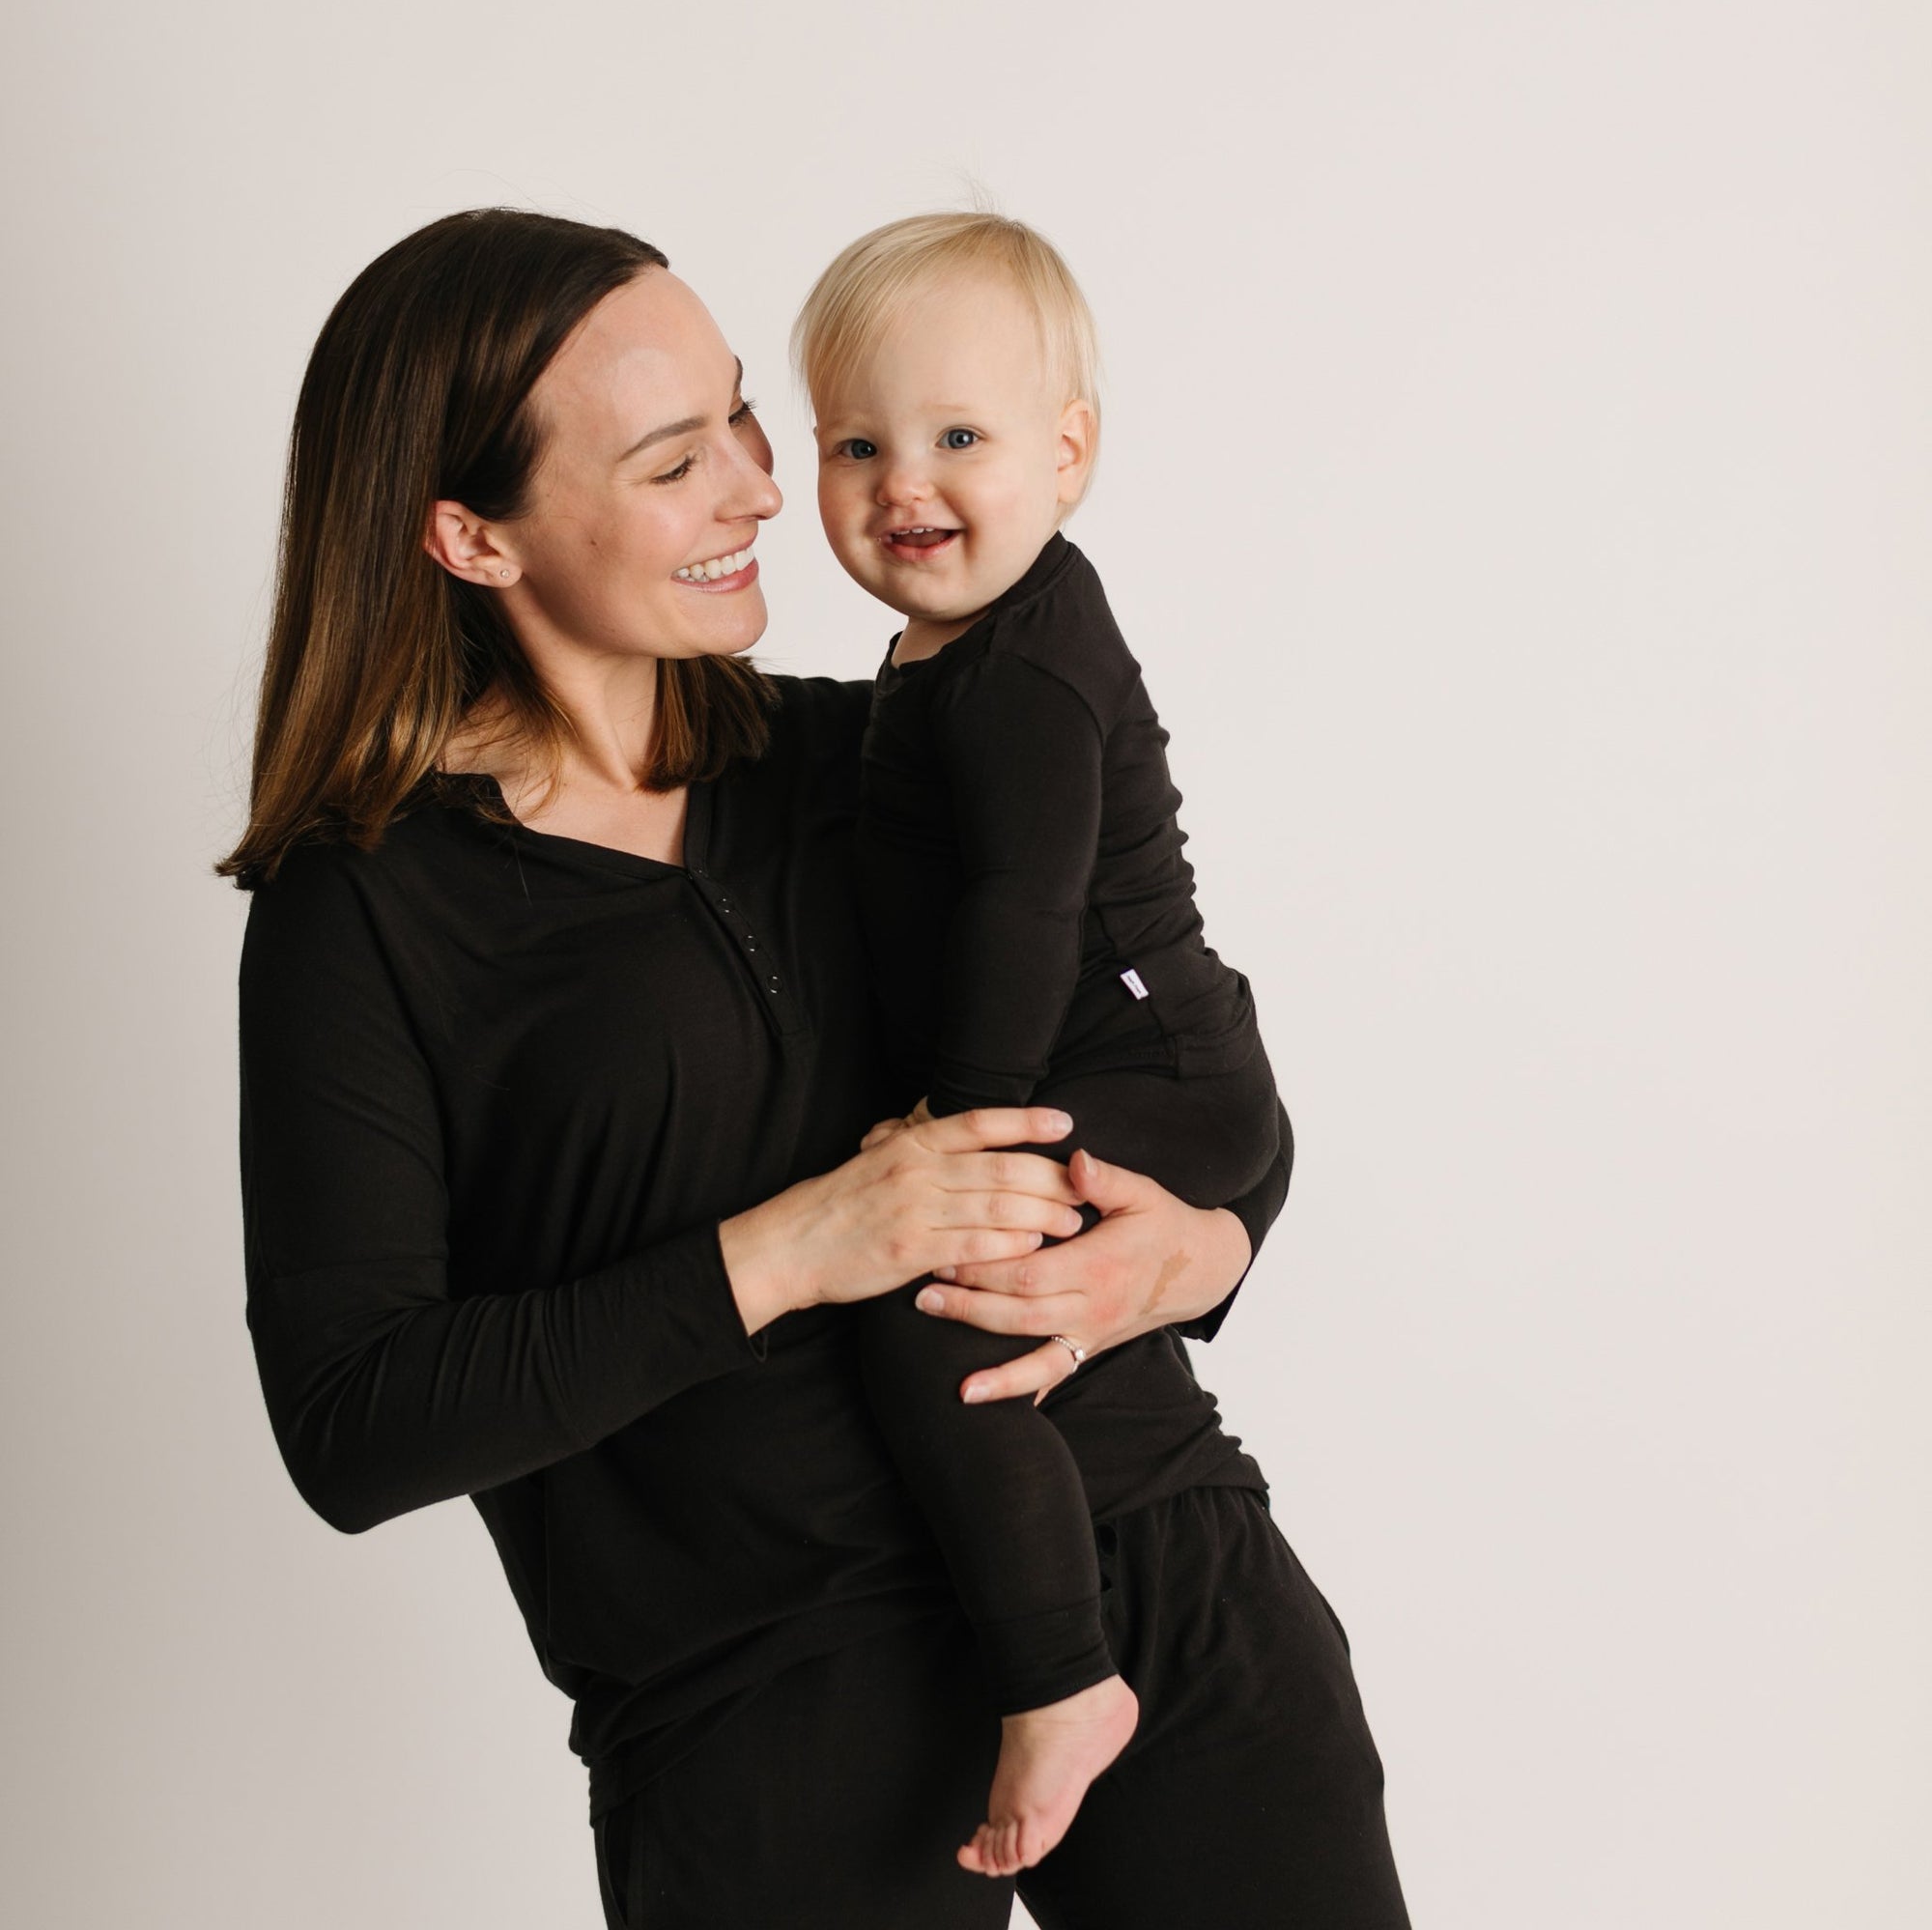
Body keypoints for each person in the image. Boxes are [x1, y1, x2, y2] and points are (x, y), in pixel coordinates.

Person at [224, 206, 1409, 1930]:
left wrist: (1209, 1246)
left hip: (1160, 1571)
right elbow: (353, 1426)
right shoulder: (367, 910)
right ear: (473, 536)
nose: (764, 488)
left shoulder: (872, 749)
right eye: (671, 457)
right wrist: (795, 1248)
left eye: (743, 419)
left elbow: (1182, 1042)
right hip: (766, 1702)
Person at [794, 212, 1285, 1878]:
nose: (901, 485)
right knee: (932, 1300)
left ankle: (1066, 1683)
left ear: (1067, 456)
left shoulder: (1020, 674)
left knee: (930, 1319)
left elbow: (1022, 902)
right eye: (856, 444)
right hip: (1124, 1052)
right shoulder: (944, 652)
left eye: (958, 439)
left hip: (1152, 1059)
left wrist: (962, 1127)